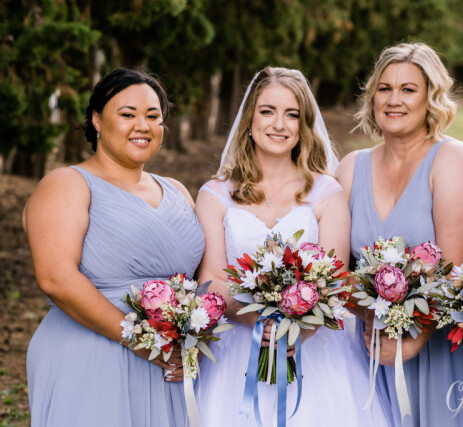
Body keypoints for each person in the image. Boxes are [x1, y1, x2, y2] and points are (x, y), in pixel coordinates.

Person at [195, 67, 391, 426]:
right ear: (249, 120)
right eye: (267, 111)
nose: (279, 124)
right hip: (237, 351)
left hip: (317, 352)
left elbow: (335, 278)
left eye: (291, 114)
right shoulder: (215, 194)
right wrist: (259, 322)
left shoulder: (326, 192)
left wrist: (300, 329)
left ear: (304, 126)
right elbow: (212, 279)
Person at [23, 68, 204, 426]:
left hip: (170, 362)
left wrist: (196, 338)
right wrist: (144, 342)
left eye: (153, 116)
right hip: (92, 355)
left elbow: (200, 280)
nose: (143, 126)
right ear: (97, 120)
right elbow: (56, 278)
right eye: (128, 114)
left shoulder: (177, 190)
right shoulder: (67, 184)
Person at [336, 43, 463, 426]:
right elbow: (335, 272)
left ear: (430, 97)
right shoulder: (352, 168)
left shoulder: (453, 161)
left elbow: (458, 275)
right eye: (384, 89)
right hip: (368, 354)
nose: (394, 100)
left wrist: (413, 338)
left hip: (434, 353)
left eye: (408, 89)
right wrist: (371, 318)